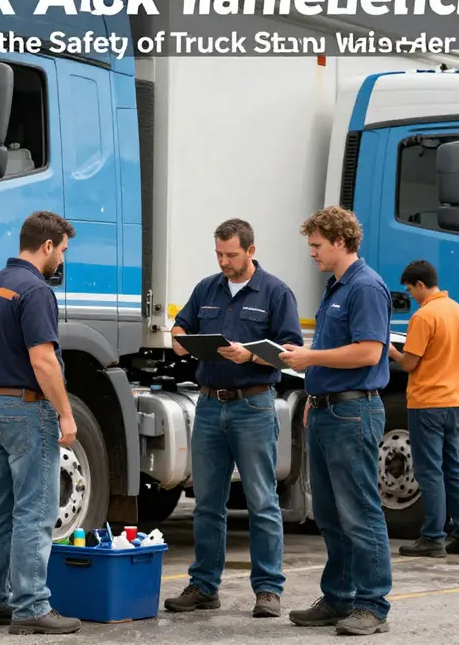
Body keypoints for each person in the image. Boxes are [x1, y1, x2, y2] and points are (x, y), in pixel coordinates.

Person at [163, 218, 303, 618]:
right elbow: (182, 324)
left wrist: (252, 355)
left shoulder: (275, 292)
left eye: (231, 255)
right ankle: (204, 586)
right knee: (207, 503)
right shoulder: (207, 288)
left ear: (251, 251)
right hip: (208, 405)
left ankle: (268, 590)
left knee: (261, 501)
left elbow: (291, 351)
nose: (224, 262)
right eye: (219, 254)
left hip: (253, 406)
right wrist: (179, 339)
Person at [280, 206, 392, 636]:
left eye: (317, 245)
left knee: (360, 511)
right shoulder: (337, 286)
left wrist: (310, 358)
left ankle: (373, 604)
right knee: (328, 512)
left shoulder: (365, 287)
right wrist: (314, 390)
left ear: (340, 242)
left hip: (353, 412)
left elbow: (368, 351)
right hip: (328, 408)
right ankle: (340, 597)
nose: (312, 252)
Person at [0, 211, 82, 635]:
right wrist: (66, 414)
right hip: (28, 408)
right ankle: (32, 606)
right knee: (36, 512)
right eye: (62, 251)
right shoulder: (36, 291)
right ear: (47, 245)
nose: (62, 261)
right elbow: (43, 360)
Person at [388, 260, 459, 558]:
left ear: (421, 285)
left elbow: (410, 363)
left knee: (429, 472)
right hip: (454, 401)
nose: (411, 294)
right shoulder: (457, 311)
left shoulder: (424, 317)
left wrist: (389, 349)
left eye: (411, 288)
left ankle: (433, 537)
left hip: (427, 402)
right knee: (453, 468)